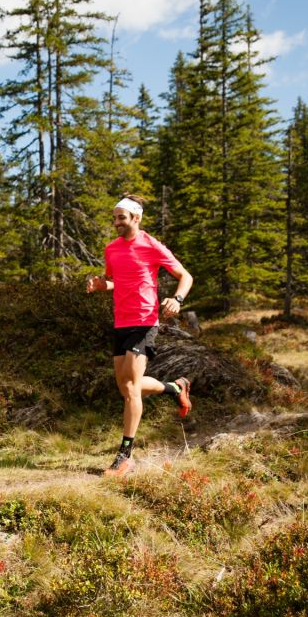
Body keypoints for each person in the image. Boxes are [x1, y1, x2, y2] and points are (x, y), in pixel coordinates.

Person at [86, 194, 194, 478]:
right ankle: (175, 388)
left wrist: (177, 299)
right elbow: (112, 280)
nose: (116, 223)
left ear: (136, 218)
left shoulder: (151, 245)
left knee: (131, 387)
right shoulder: (111, 249)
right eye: (114, 218)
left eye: (121, 218)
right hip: (121, 321)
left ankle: (124, 457)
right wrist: (100, 285)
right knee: (124, 386)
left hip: (145, 320)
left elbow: (185, 275)